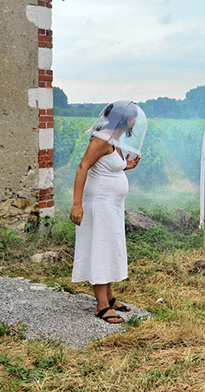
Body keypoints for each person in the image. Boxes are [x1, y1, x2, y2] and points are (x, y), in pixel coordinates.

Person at [69, 100, 147, 324]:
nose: (134, 123)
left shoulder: (116, 139)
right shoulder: (102, 138)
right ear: (128, 120)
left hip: (111, 205)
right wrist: (77, 204)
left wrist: (125, 166)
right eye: (133, 119)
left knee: (109, 246)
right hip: (99, 204)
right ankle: (101, 306)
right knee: (100, 247)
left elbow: (107, 166)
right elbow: (83, 166)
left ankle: (109, 297)